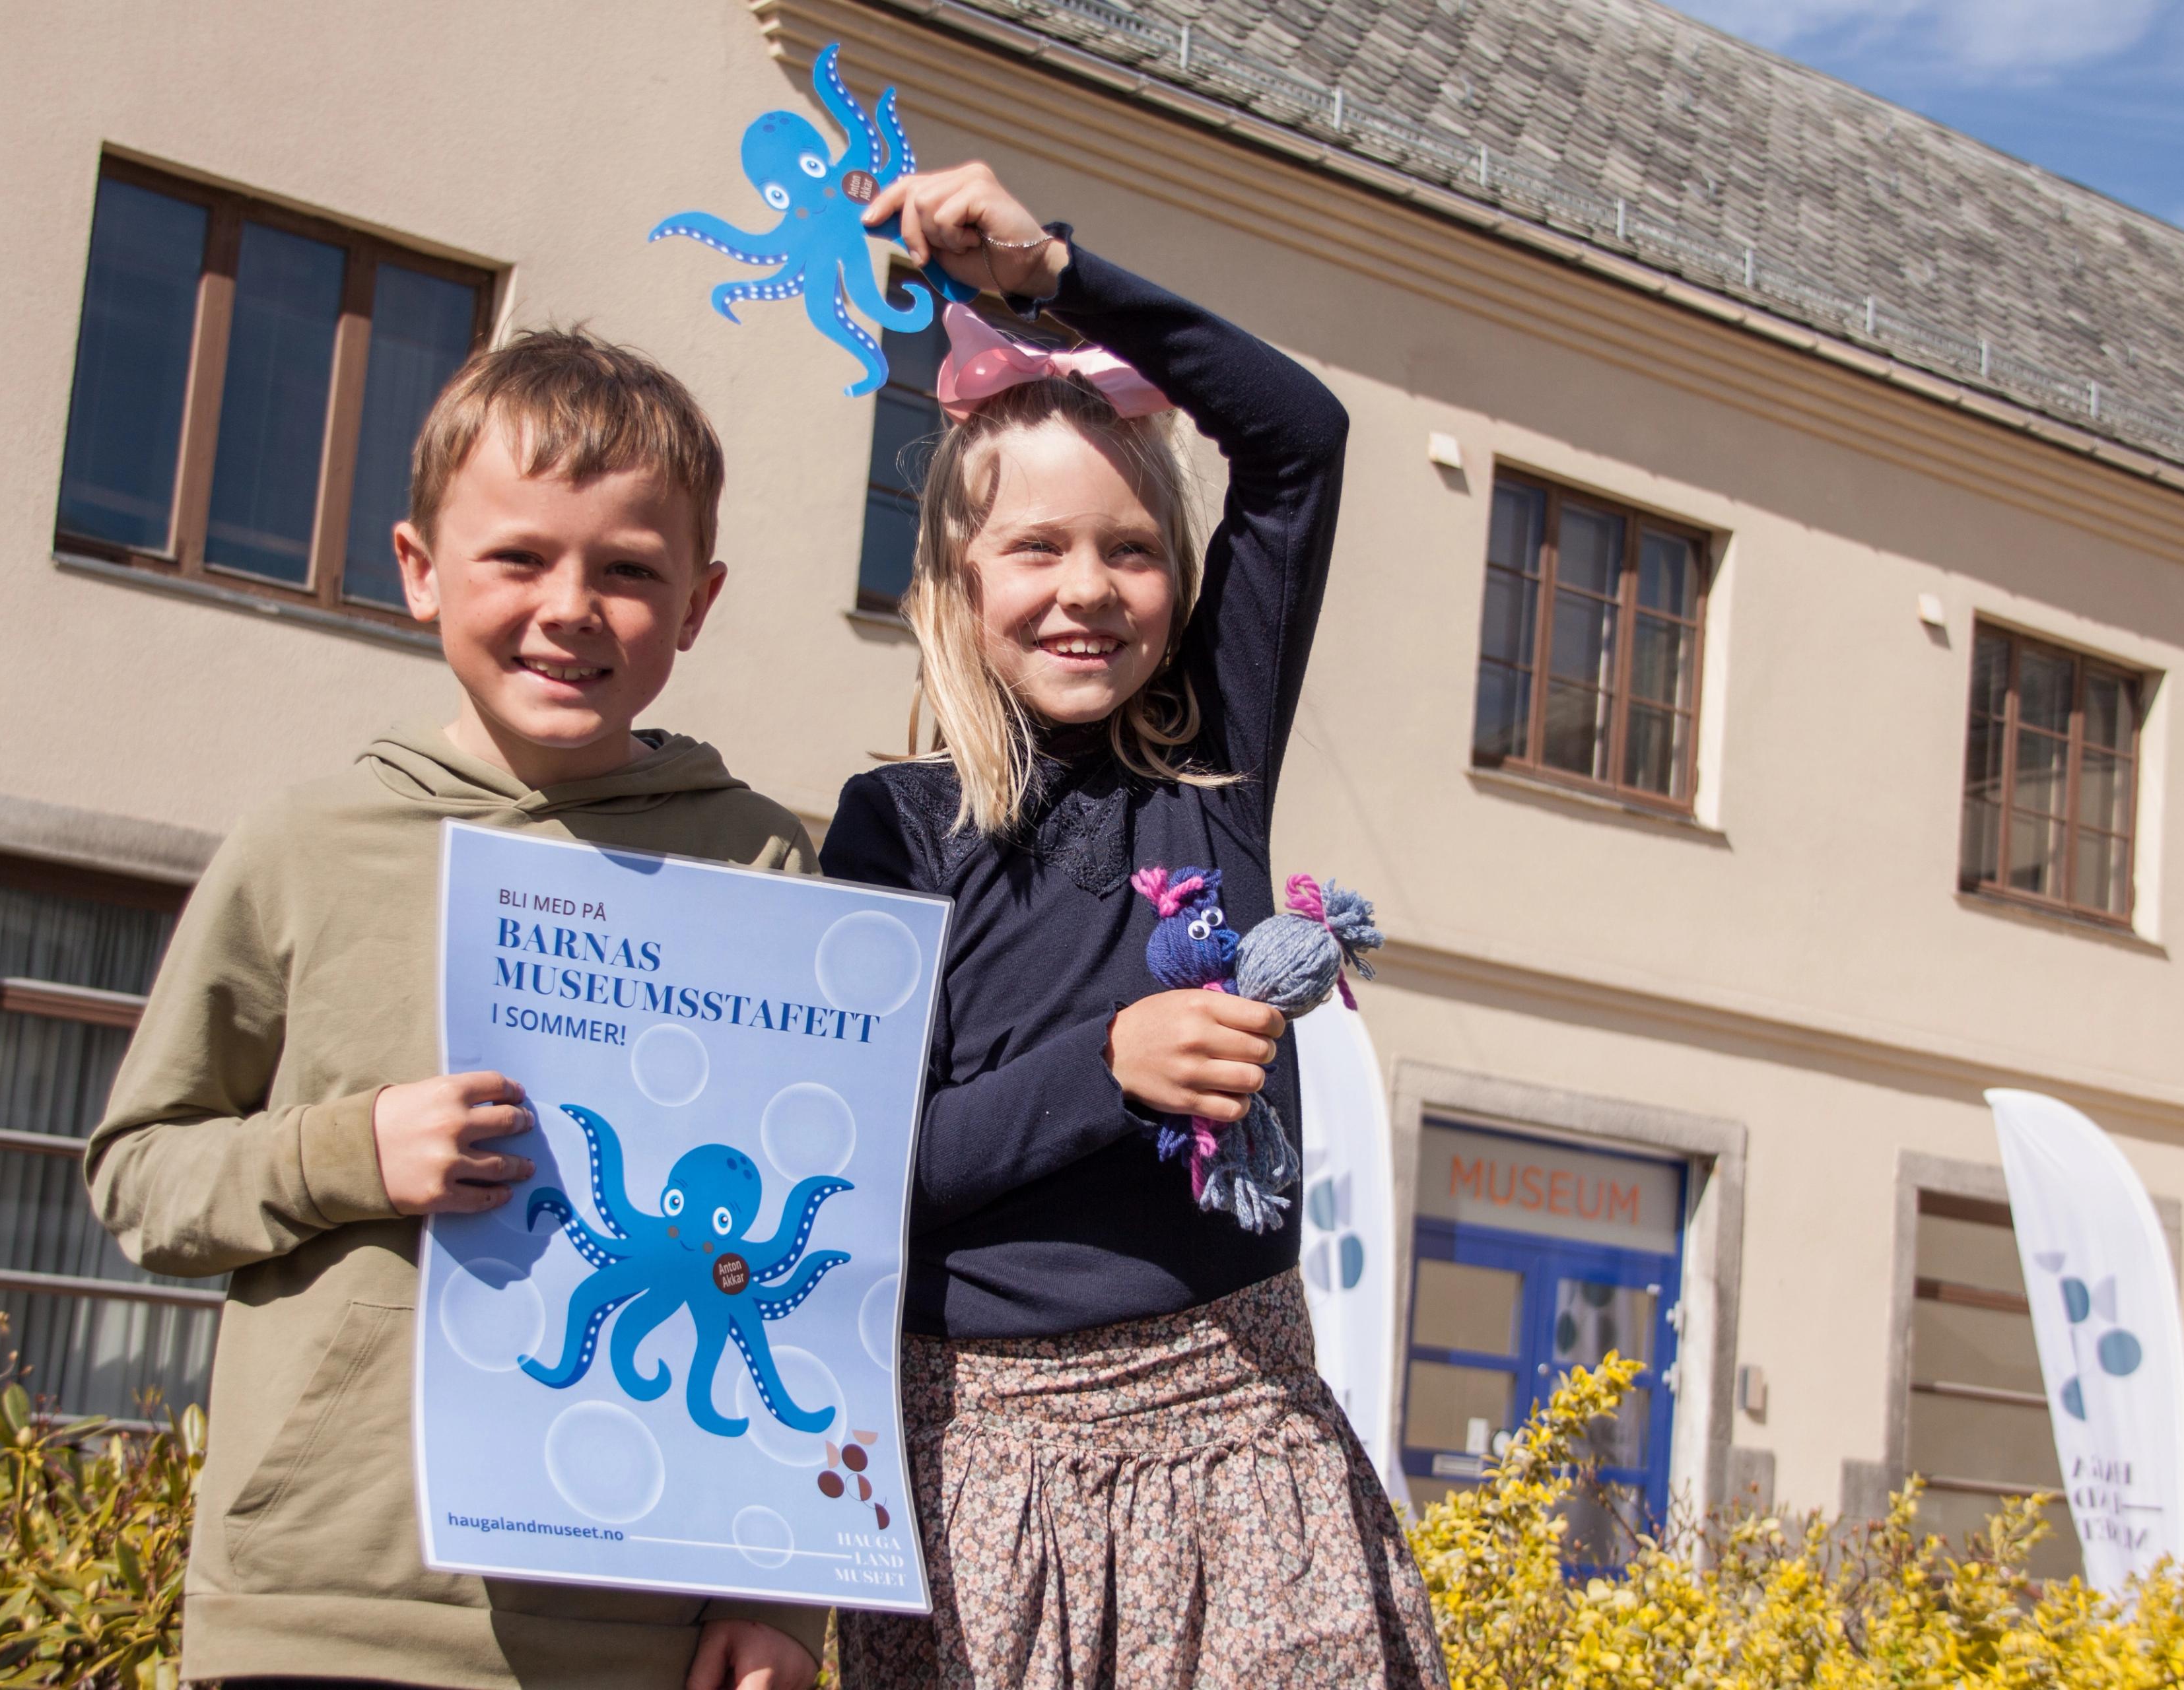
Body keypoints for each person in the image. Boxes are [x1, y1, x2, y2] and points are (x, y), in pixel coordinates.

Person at [86, 330, 825, 1690]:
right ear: (420, 568)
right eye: (520, 557)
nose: (573, 606)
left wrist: (780, 1592)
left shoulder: (760, 863)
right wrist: (345, 1151)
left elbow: (814, 1259)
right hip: (316, 1599)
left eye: (628, 571)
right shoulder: (306, 841)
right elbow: (139, 1173)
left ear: (698, 601)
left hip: (625, 1624)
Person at [822, 164, 1445, 1689]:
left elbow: (1301, 441)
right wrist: (1109, 1062)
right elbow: (855, 1176)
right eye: (1035, 549)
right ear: (959, 585)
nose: (1086, 588)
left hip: (1247, 1430)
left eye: (1132, 548)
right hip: (980, 1462)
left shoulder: (1213, 758)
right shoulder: (893, 826)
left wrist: (1050, 273)